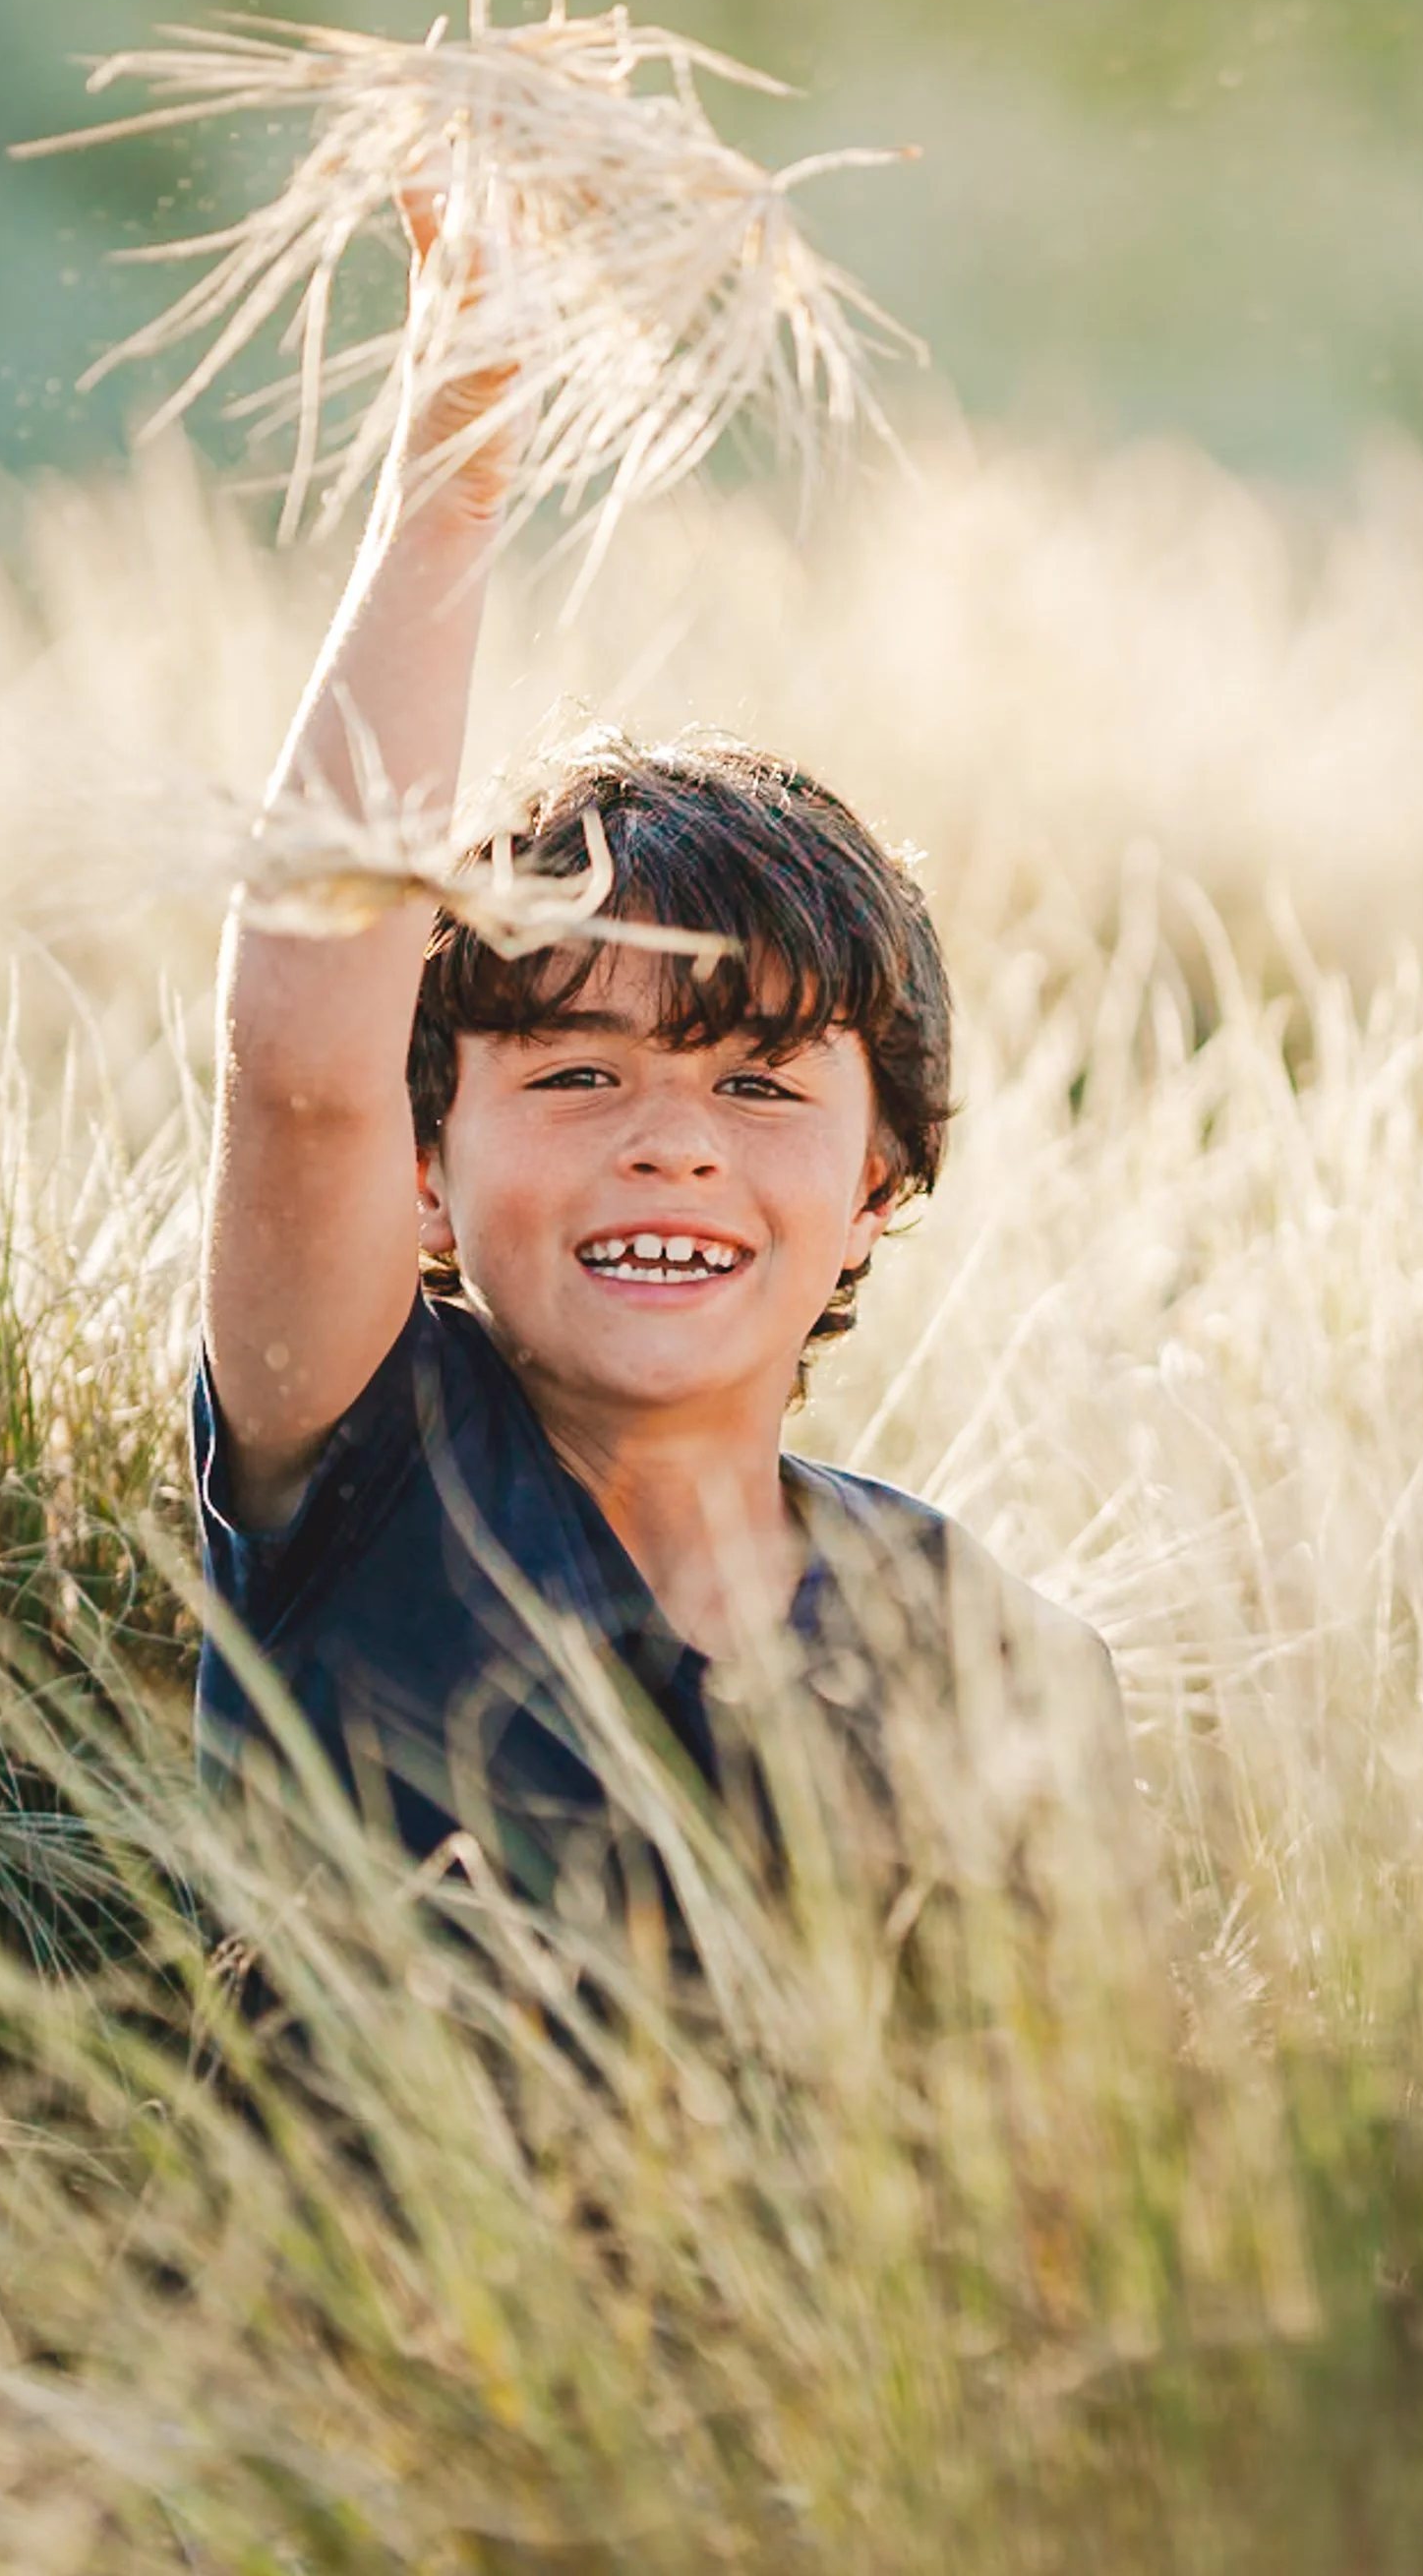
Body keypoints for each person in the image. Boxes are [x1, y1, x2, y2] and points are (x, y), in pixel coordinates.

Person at [192, 196, 1149, 1936]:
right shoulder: (368, 1468)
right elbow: (301, 1067)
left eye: (759, 1083)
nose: (672, 1146)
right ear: (422, 1171)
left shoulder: (998, 1663)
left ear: (874, 1186)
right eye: (575, 1075)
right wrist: (459, 460)